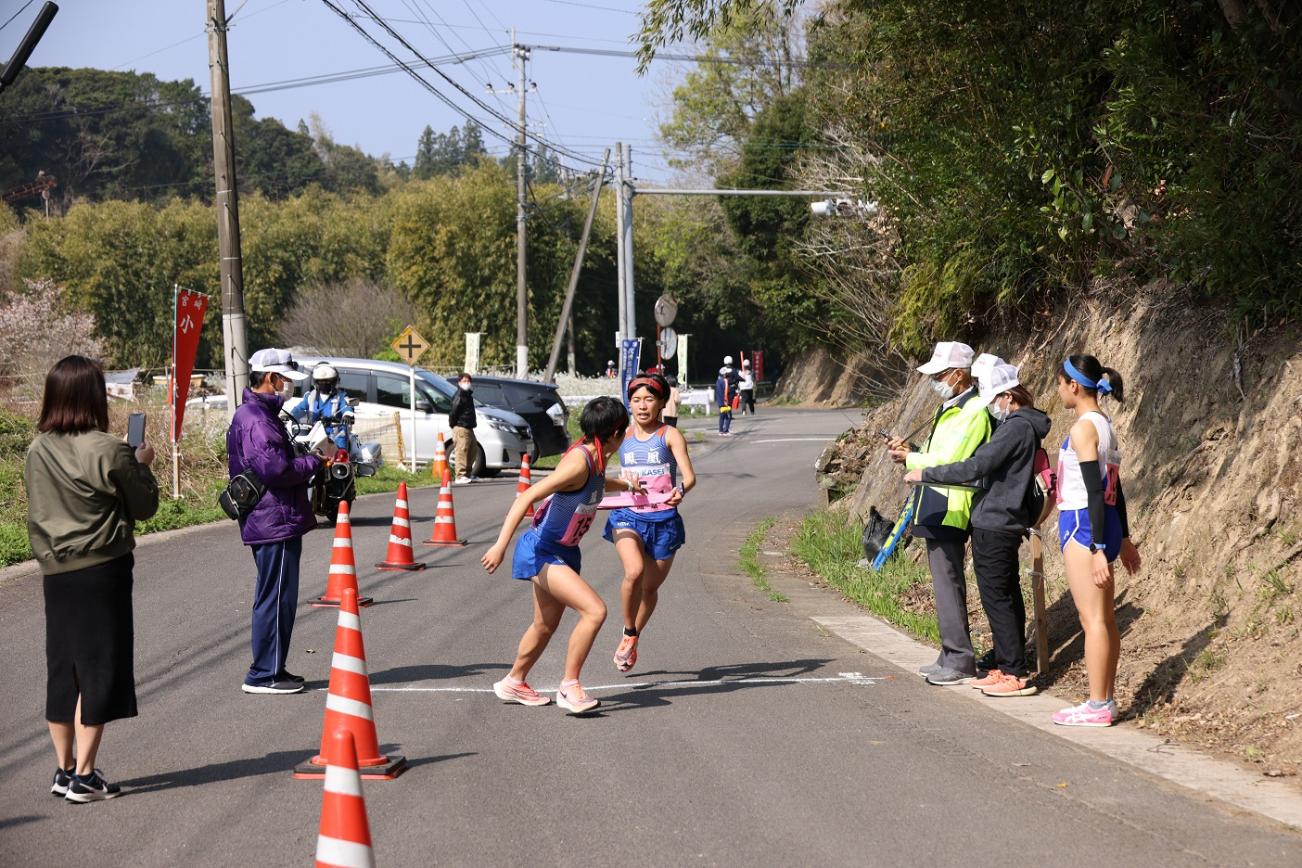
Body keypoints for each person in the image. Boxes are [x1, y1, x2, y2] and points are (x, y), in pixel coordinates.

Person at [25, 355, 159, 802]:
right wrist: (141, 463)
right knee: (99, 669)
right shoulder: (109, 448)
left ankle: (63, 770)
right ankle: (85, 775)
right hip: (102, 571)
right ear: (94, 397)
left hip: (55, 572)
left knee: (63, 671)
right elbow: (143, 507)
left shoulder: (36, 450)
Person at [481, 397, 643, 714]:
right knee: (595, 610)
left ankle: (514, 682)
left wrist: (624, 484)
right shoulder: (580, 461)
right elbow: (527, 495)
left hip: (565, 551)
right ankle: (569, 686)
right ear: (615, 433)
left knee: (544, 625)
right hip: (542, 551)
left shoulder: (597, 457)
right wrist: (500, 545)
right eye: (625, 430)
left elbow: (594, 484)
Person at [904, 363, 1050, 697]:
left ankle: (1014, 672)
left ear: (1008, 396)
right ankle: (1005, 663)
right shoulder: (1018, 426)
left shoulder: (1015, 428)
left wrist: (926, 474)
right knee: (1002, 594)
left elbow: (976, 465)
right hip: (997, 518)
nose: (990, 406)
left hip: (997, 520)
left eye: (993, 398)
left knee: (998, 597)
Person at [889, 341, 992, 685]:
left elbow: (954, 462)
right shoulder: (949, 407)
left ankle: (960, 658)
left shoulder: (974, 410)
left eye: (939, 374)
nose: (934, 380)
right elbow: (938, 454)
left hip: (951, 503)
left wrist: (911, 459)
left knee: (948, 582)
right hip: (934, 500)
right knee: (943, 582)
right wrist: (913, 452)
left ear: (959, 374)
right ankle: (950, 652)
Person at [1051, 354, 1141, 727]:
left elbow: (1094, 491)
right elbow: (1114, 489)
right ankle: (1104, 699)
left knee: (1092, 621)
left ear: (1073, 385)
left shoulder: (1082, 429)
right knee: (1104, 619)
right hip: (1101, 524)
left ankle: (1097, 702)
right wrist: (1124, 537)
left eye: (1059, 384)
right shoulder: (1103, 423)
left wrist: (1098, 549)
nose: (1058, 391)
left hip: (1083, 524)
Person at [227, 348, 322, 696]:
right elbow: (275, 469)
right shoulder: (256, 417)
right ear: (271, 379)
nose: (289, 388)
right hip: (273, 518)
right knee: (275, 597)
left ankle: (271, 668)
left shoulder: (256, 414)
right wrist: (313, 462)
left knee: (276, 595)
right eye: (286, 381)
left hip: (272, 517)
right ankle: (264, 672)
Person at [604, 374, 697, 672]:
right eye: (635, 400)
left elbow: (689, 477)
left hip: (663, 519)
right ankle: (628, 630)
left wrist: (679, 490)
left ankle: (632, 636)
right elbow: (596, 468)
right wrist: (619, 482)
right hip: (627, 513)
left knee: (650, 588)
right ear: (628, 403)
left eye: (648, 399)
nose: (642, 406)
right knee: (634, 572)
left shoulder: (669, 435)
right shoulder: (622, 436)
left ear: (660, 403)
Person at [289, 363, 352, 450]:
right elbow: (298, 409)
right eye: (321, 381)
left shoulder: (340, 396)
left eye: (327, 381)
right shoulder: (310, 396)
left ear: (334, 381)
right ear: (316, 382)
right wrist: (288, 415)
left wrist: (347, 415)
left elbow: (347, 407)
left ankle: (342, 462)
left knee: (340, 457)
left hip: (335, 436)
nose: (324, 384)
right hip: (314, 434)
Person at [449, 372, 478, 485]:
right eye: (464, 381)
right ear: (459, 383)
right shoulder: (459, 396)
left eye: (468, 381)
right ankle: (460, 475)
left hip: (469, 428)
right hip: (461, 427)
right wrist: (454, 425)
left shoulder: (468, 395)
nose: (467, 383)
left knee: (472, 451)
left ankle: (468, 474)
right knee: (462, 451)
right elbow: (453, 413)